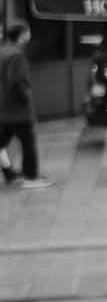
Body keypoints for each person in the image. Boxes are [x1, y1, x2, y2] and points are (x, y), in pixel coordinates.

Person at [0, 22, 49, 189]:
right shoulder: (17, 54)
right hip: (18, 109)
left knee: (3, 140)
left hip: (4, 107)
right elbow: (17, 80)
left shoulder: (3, 51)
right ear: (21, 36)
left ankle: (12, 173)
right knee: (28, 142)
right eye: (27, 33)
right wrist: (26, 96)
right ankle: (31, 177)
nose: (29, 36)